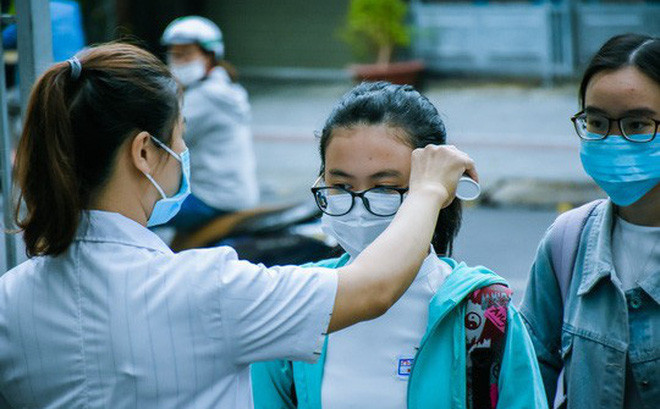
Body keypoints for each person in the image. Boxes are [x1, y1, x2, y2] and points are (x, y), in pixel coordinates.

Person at [0, 43, 475, 408]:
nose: (183, 153)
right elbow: (373, 289)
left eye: (385, 187)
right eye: (179, 136)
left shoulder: (10, 300)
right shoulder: (206, 290)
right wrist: (428, 190)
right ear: (144, 152)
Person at [251, 82, 547, 409]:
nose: (359, 208)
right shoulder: (296, 302)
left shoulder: (485, 312)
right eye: (341, 186)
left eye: (385, 188)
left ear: (432, 191)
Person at [520, 34, 659, 409]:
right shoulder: (566, 241)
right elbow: (527, 379)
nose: (613, 140)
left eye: (637, 124)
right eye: (596, 122)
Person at [160, 16, 258, 231]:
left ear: (209, 56)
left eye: (186, 54)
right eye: (174, 55)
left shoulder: (206, 96)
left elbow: (163, 137)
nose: (178, 61)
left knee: (143, 212)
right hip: (234, 193)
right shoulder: (224, 87)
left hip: (212, 197)